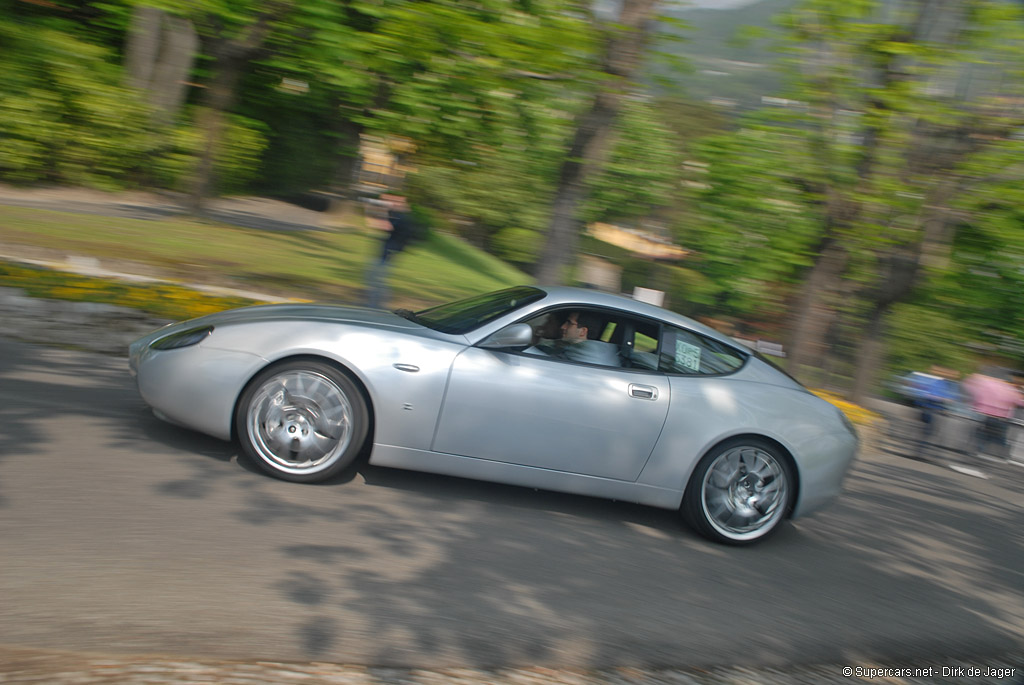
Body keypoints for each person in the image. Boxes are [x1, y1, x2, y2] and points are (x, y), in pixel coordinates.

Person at [365, 193, 416, 309]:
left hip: (389, 251)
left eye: (395, 202)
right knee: (377, 277)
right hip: (390, 250)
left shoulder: (402, 217)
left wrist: (370, 213)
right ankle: (376, 304)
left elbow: (385, 227)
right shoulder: (401, 216)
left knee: (376, 277)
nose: (391, 204)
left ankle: (376, 306)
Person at [962, 368, 1024, 460]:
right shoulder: (1013, 390)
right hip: (1000, 418)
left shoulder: (995, 384)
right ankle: (999, 455)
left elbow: (971, 380)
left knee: (982, 435)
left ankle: (976, 452)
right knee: (997, 438)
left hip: (984, 415)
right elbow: (1020, 403)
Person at [528, 311, 620, 367]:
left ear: (583, 331)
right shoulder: (576, 350)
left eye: (569, 323)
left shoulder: (583, 356)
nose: (563, 327)